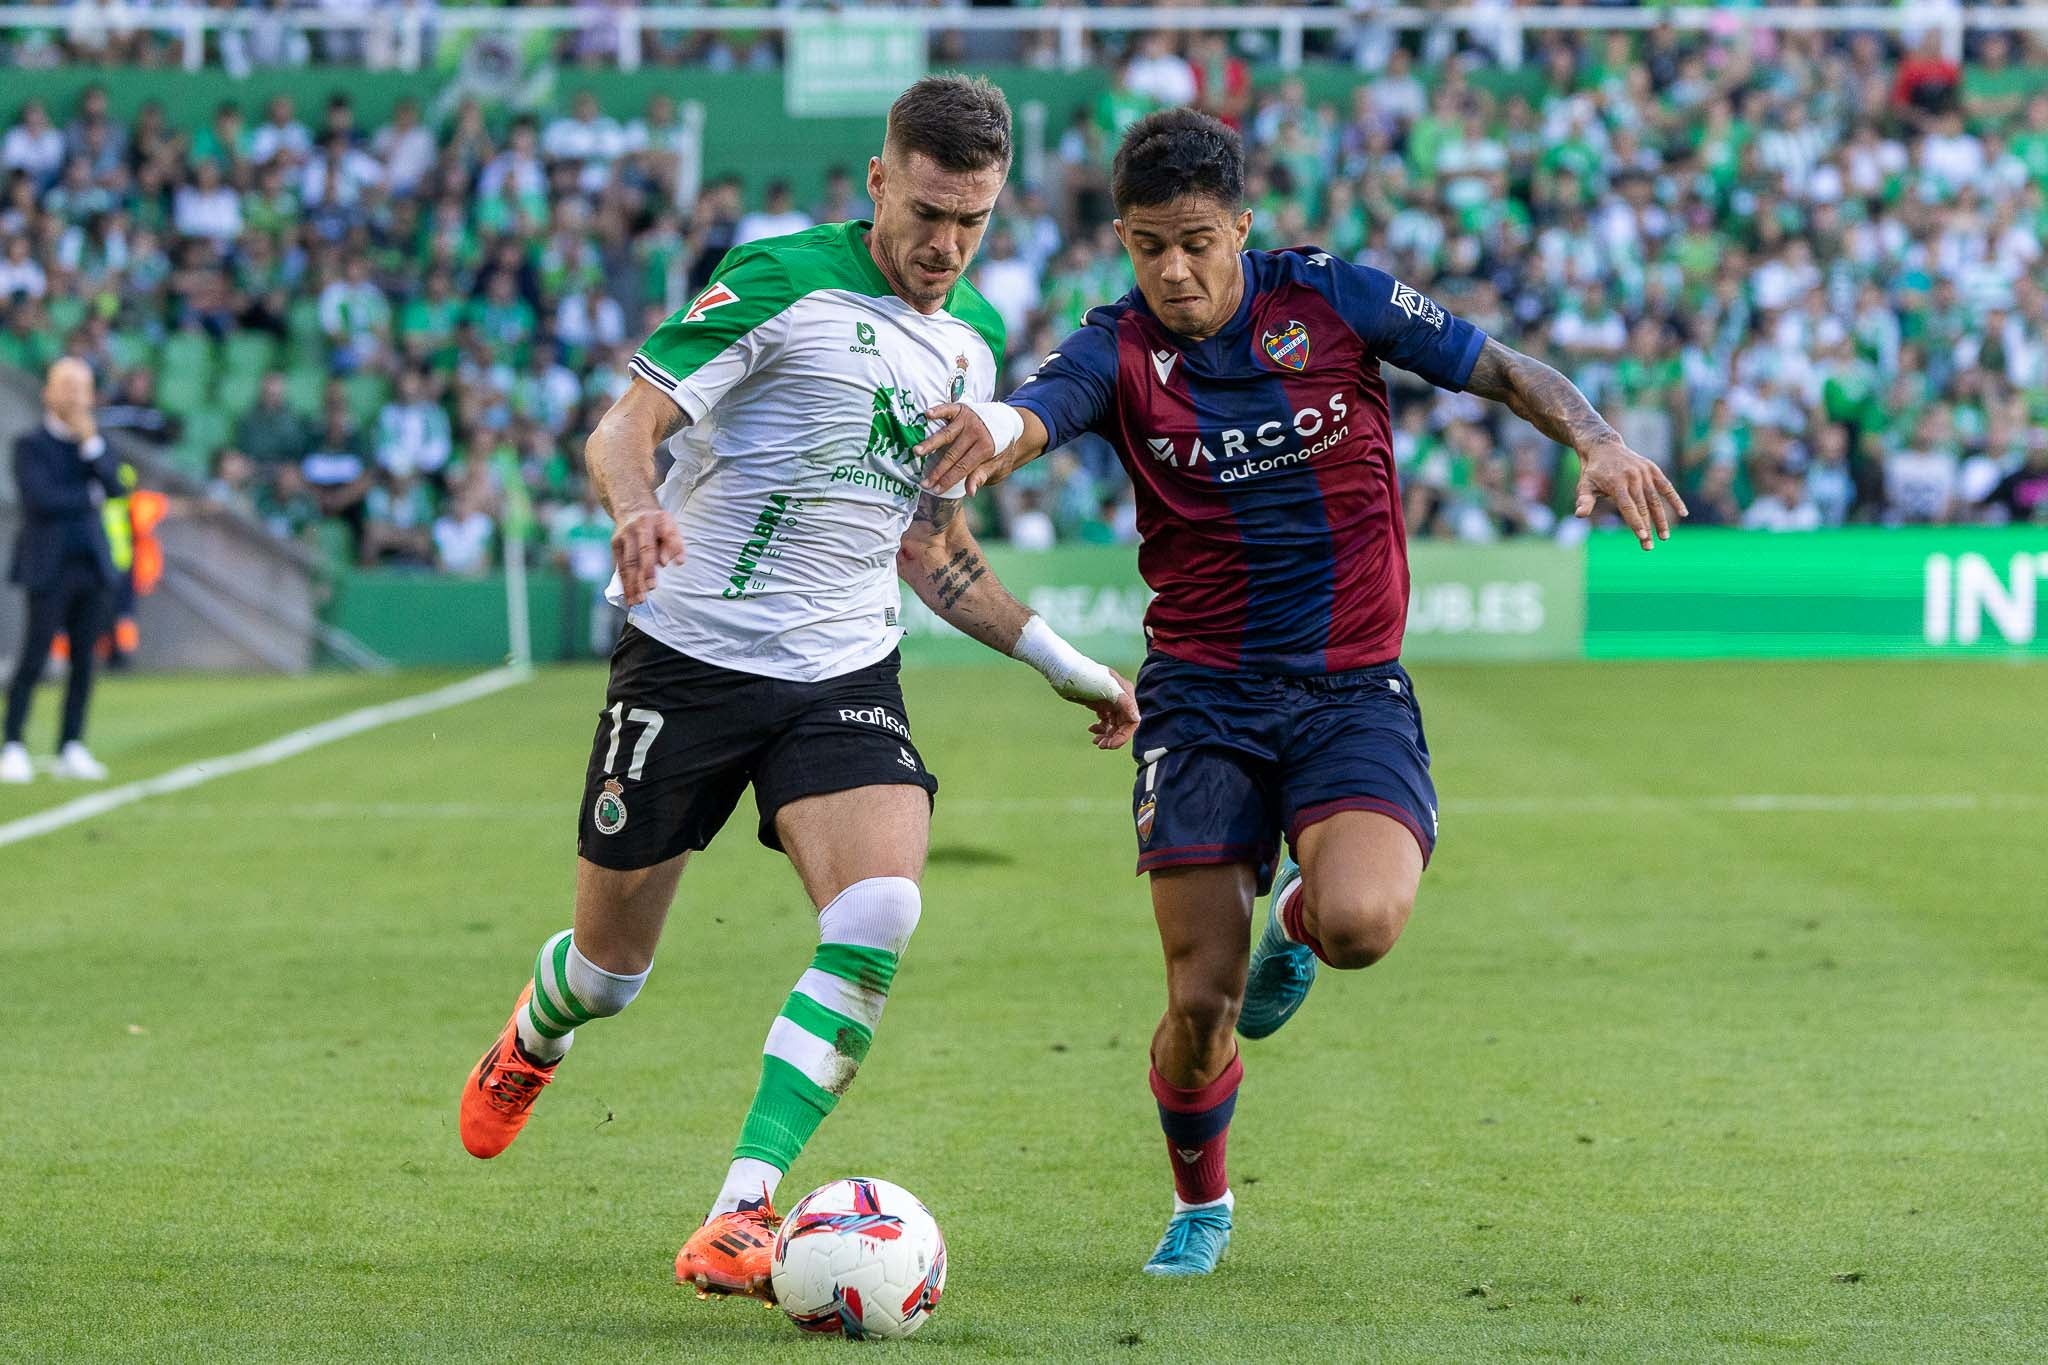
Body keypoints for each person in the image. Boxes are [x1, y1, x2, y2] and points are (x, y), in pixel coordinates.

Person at [914, 110, 1684, 1277]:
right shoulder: (1118, 347)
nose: (1171, 270)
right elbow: (1043, 408)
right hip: (1201, 702)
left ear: (1242, 228)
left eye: (1194, 242)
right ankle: (1199, 1204)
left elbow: (1502, 368)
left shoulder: (1332, 300)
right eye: (1144, 246)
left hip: (1346, 691)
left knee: (1361, 925)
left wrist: (1598, 440)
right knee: (1197, 1006)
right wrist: (998, 426)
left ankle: (1297, 919)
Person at [453, 76, 1141, 1302]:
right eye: (926, 212)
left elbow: (929, 549)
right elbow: (622, 429)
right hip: (688, 657)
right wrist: (635, 510)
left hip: (839, 673)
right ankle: (537, 1033)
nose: (943, 246)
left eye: (970, 222)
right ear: (878, 180)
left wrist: (1070, 669)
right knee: (612, 971)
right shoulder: (778, 280)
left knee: (880, 910)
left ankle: (742, 1208)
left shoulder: (973, 343)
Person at [3, 358, 126, 784]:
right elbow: (41, 500)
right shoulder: (30, 444)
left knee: (84, 661)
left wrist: (91, 448)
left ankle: (70, 744)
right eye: (66, 385)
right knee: (33, 658)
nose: (74, 395)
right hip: (48, 566)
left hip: (91, 565)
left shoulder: (96, 444)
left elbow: (116, 489)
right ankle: (13, 743)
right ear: (48, 392)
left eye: (82, 387)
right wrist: (87, 494)